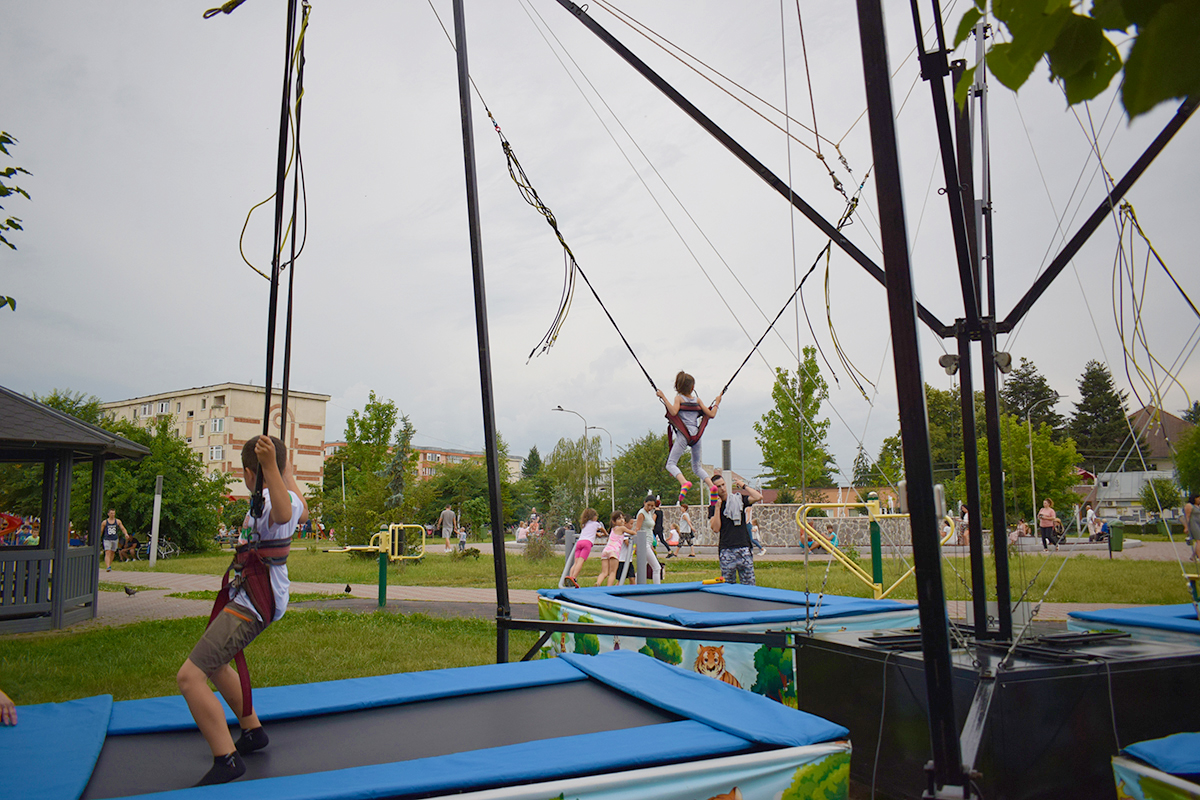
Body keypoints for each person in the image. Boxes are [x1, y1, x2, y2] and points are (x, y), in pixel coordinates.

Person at [176, 435, 302, 786]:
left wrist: (269, 468)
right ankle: (252, 731)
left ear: (249, 472)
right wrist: (280, 466)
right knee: (215, 664)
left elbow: (285, 513)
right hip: (255, 595)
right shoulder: (276, 494)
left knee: (189, 677)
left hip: (256, 601)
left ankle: (226, 759)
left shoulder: (271, 501)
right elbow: (298, 508)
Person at [657, 371, 720, 503]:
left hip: (683, 435)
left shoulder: (678, 398)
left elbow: (673, 411)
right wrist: (717, 402)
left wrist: (663, 397)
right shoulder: (697, 400)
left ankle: (684, 482)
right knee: (697, 467)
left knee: (671, 464)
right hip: (696, 435)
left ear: (678, 386)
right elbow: (711, 414)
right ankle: (711, 485)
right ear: (692, 388)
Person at [709, 471, 761, 584]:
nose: (722, 488)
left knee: (749, 585)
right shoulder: (713, 507)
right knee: (728, 586)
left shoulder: (738, 500)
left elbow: (758, 496)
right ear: (714, 489)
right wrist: (717, 508)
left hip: (743, 548)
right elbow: (716, 528)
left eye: (723, 485)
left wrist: (743, 485)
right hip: (727, 550)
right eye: (718, 486)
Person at [567, 509, 606, 587]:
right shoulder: (596, 524)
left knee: (576, 562)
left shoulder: (584, 524)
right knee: (580, 562)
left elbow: (589, 531)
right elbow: (602, 529)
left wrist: (596, 534)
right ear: (594, 517)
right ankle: (574, 578)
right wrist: (605, 533)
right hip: (587, 543)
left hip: (579, 542)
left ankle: (570, 577)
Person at [597, 511, 631, 586]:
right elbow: (631, 532)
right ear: (614, 521)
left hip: (606, 550)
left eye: (623, 518)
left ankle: (598, 583)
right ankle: (609, 587)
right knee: (612, 572)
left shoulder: (612, 529)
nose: (622, 520)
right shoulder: (622, 528)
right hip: (614, 551)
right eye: (619, 519)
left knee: (604, 572)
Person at [1185, 494, 1200, 562]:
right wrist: (1186, 527)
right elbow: (1187, 517)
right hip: (1194, 524)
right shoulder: (1189, 505)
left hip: (1199, 524)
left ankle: (1193, 556)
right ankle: (1199, 557)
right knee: (1199, 541)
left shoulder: (1198, 506)